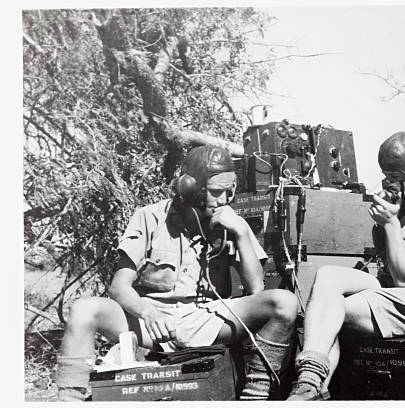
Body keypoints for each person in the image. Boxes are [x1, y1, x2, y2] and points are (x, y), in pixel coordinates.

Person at [56, 145, 298, 401]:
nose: (225, 199)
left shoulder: (230, 221)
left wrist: (240, 232)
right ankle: (70, 399)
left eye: (230, 191)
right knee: (84, 309)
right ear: (189, 189)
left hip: (207, 318)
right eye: (217, 192)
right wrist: (148, 313)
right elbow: (119, 286)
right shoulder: (149, 217)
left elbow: (256, 288)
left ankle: (256, 396)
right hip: (150, 323)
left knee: (284, 303)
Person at [287, 131, 405, 400]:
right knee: (328, 277)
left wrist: (390, 224)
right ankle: (310, 381)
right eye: (386, 175)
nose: (387, 182)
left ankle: (312, 388)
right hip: (399, 292)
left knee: (332, 312)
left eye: (395, 177)